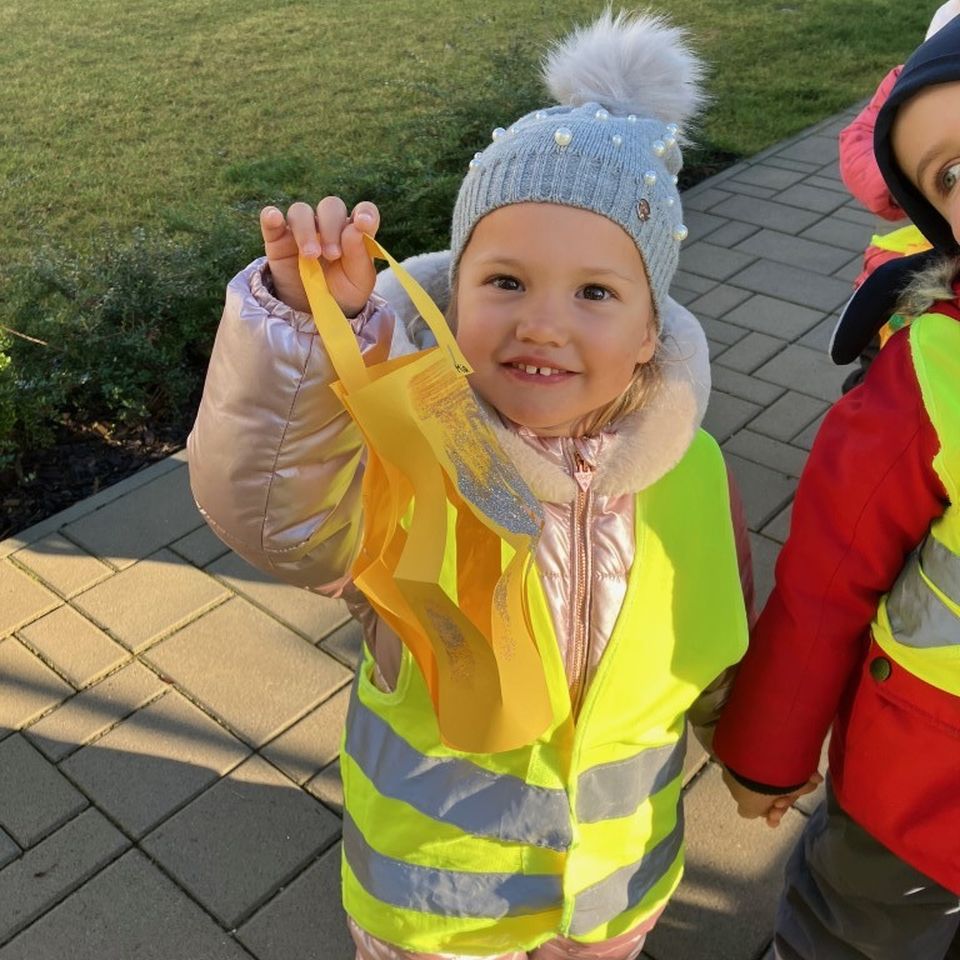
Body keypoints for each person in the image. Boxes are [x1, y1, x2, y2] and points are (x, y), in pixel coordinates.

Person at [188, 10, 783, 959]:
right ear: (450, 300)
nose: (542, 324)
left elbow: (715, 635)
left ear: (648, 335)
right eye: (504, 282)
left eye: (595, 293)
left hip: (614, 886)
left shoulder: (694, 468)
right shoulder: (409, 451)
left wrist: (756, 749)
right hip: (435, 895)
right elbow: (281, 522)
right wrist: (305, 345)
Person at [714, 16, 960, 960]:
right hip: (922, 798)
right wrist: (767, 753)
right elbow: (824, 577)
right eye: (953, 175)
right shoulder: (928, 378)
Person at [836, 3, 958, 392]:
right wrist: (899, 181)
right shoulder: (906, 80)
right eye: (954, 175)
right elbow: (857, 142)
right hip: (915, 237)